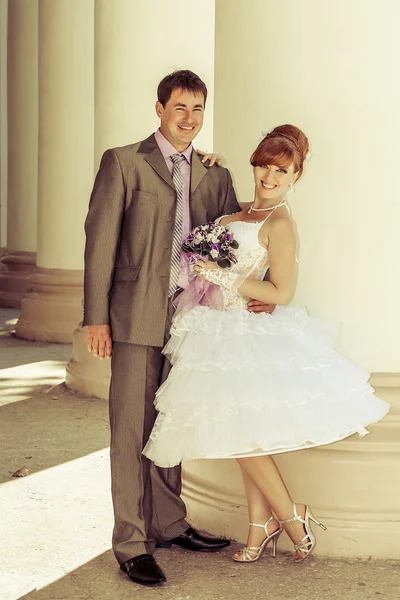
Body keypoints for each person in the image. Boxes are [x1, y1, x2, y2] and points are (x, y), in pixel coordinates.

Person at [143, 124, 390, 564]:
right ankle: (261, 527)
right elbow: (205, 213)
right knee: (244, 434)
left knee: (245, 435)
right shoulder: (237, 214)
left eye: (282, 170)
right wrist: (208, 166)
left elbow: (281, 292)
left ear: (296, 175)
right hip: (212, 331)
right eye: (263, 167)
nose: (269, 177)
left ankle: (291, 516)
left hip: (245, 334)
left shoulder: (280, 223)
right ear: (253, 166)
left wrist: (219, 275)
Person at [83, 69, 273, 587]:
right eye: (179, 108)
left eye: (197, 110)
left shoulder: (213, 174)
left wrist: (268, 287)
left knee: (173, 419)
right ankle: (131, 541)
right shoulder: (123, 162)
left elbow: (232, 235)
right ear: (160, 108)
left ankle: (168, 523)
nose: (188, 119)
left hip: (192, 318)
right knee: (130, 428)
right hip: (133, 314)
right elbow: (99, 242)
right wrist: (95, 317)